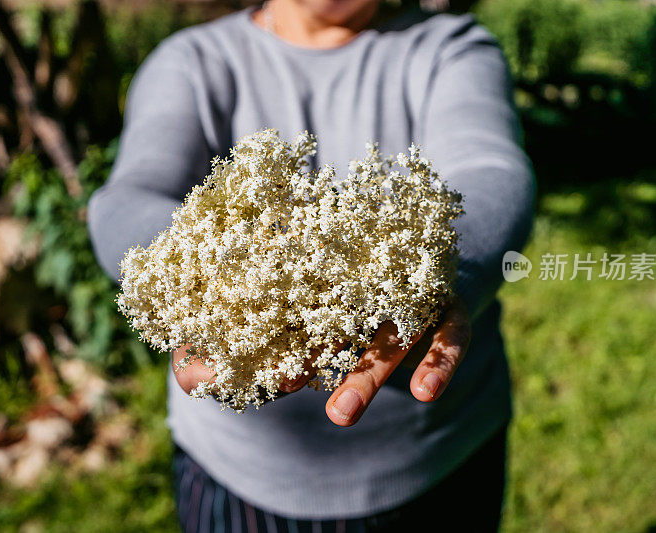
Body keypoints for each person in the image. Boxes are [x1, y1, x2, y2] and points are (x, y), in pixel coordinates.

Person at [88, 0, 535, 530]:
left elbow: (492, 171)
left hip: (441, 456)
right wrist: (205, 283)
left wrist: (442, 271)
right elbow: (127, 199)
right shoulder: (196, 60)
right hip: (242, 477)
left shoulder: (446, 46)